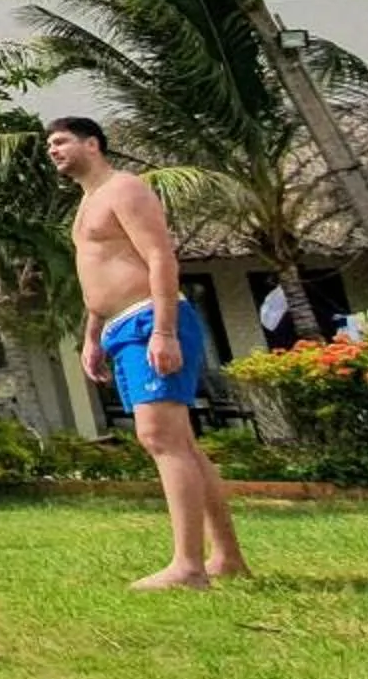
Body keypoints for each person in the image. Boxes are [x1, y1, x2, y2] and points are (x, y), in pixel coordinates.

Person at [45, 115, 250, 590]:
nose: (52, 150)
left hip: (146, 320)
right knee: (180, 445)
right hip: (118, 327)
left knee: (161, 439)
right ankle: (227, 557)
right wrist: (93, 334)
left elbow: (160, 258)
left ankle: (188, 566)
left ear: (92, 144)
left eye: (60, 142)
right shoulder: (87, 202)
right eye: (49, 145)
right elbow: (98, 274)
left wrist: (164, 331)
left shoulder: (125, 189)